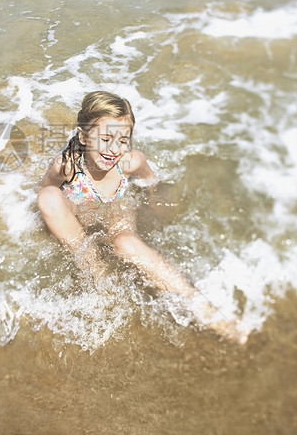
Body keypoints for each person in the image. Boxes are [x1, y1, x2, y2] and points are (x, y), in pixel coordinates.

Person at [37, 91, 246, 343]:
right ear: (83, 136)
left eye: (123, 140)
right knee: (48, 198)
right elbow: (44, 190)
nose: (114, 149)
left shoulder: (130, 163)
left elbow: (151, 184)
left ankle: (203, 308)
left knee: (125, 243)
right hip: (79, 211)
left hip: (116, 205)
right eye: (105, 138)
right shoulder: (67, 165)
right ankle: (92, 266)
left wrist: (159, 209)